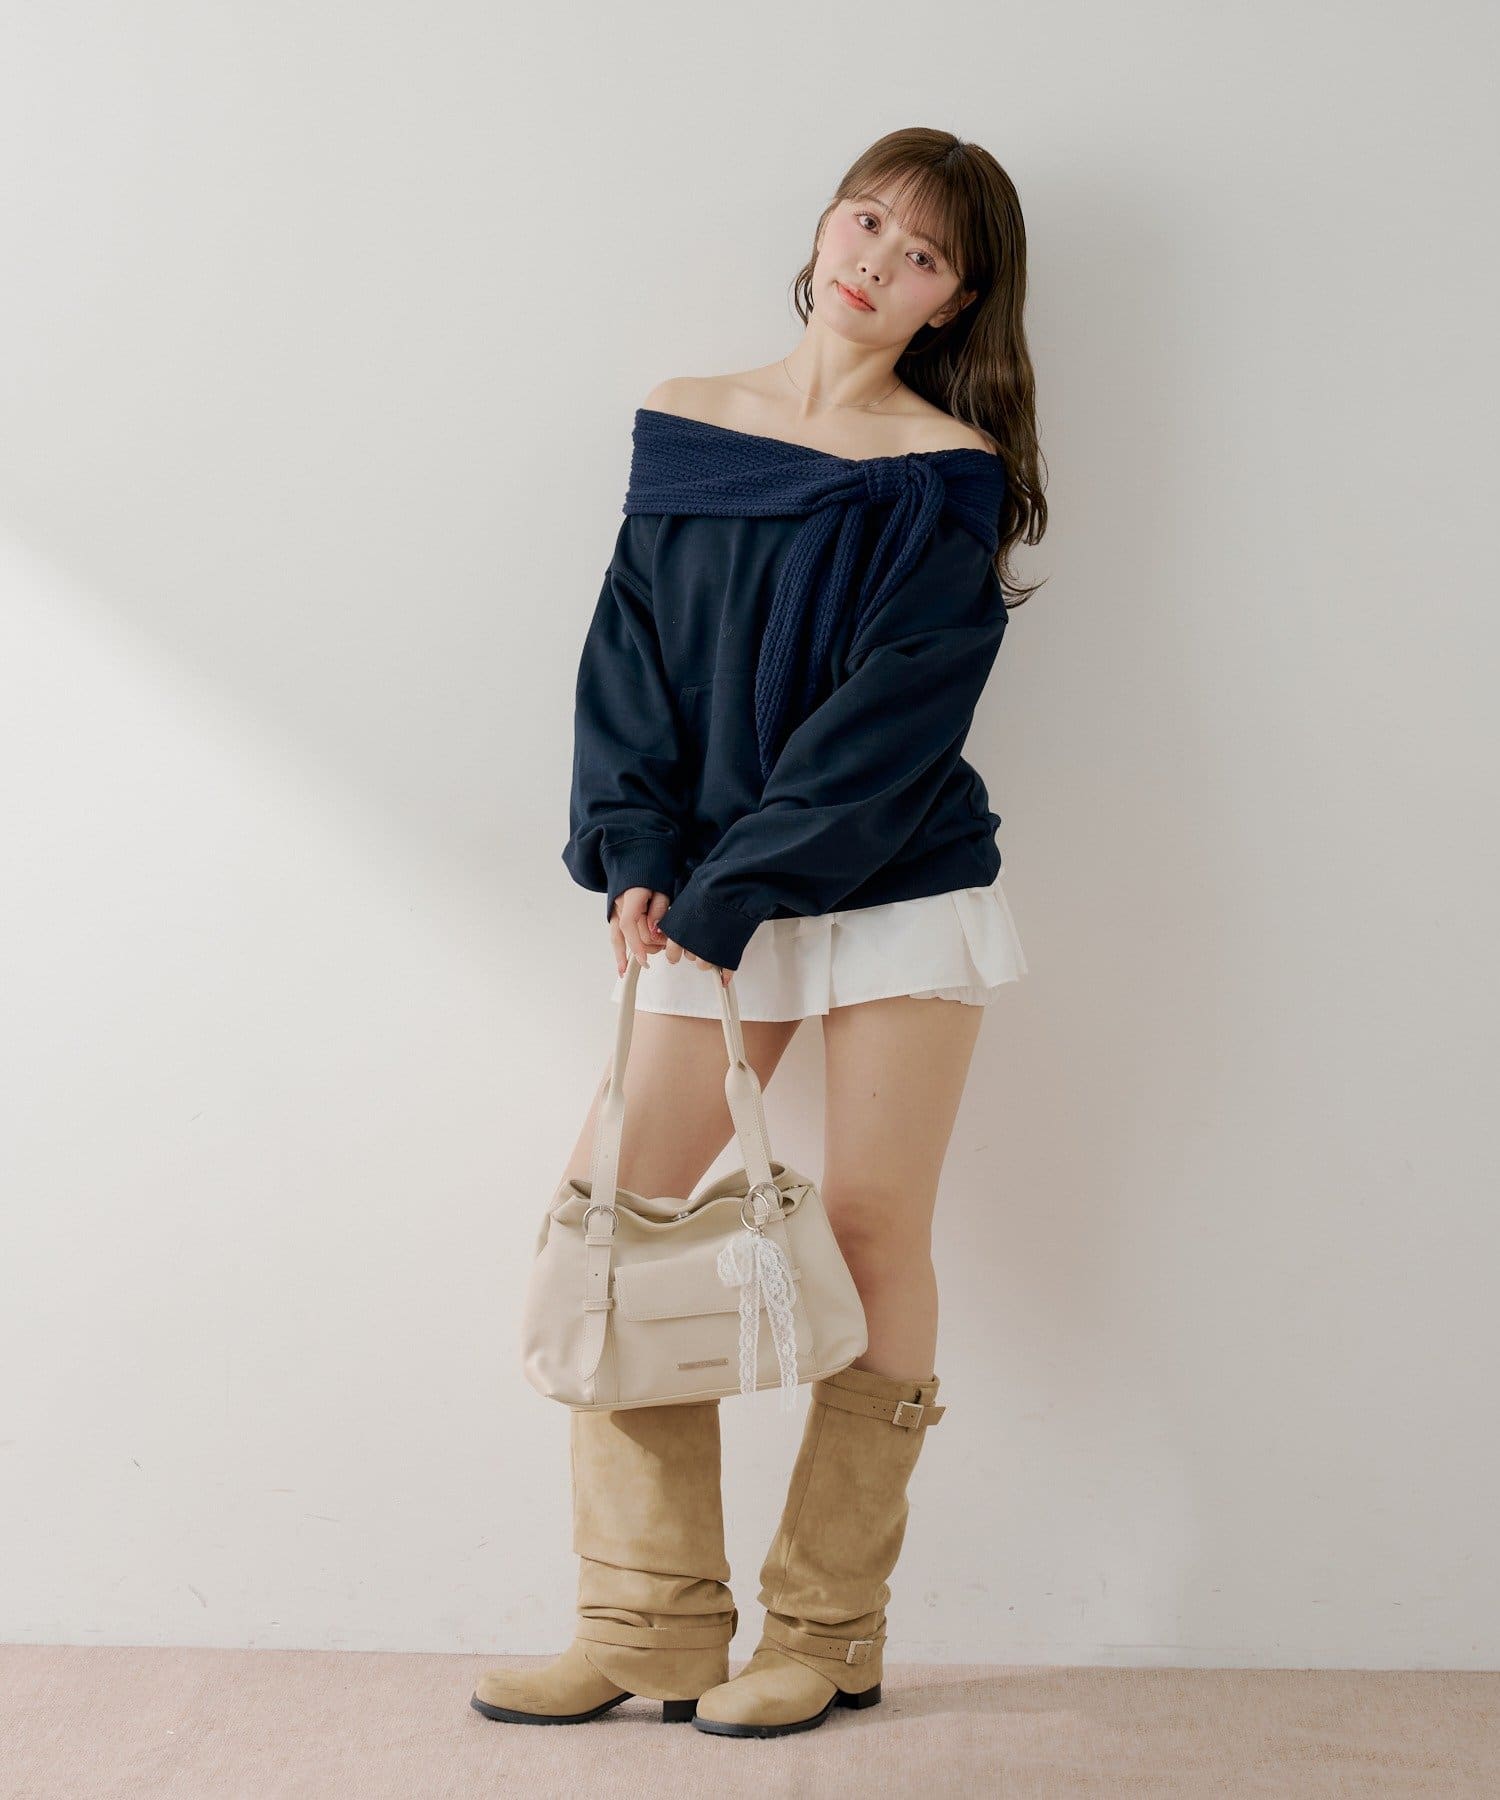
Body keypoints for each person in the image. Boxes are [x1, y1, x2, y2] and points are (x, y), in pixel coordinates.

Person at [473, 126, 1047, 1739]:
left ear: (955, 303)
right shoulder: (689, 418)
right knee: (619, 1210)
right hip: (718, 887)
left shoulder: (946, 472)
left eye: (924, 255)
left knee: (867, 1231)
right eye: (867, 221)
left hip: (899, 886)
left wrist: (733, 889)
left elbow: (898, 721)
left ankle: (827, 1631)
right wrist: (639, 853)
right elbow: (631, 653)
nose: (878, 261)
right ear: (824, 226)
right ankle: (645, 1624)